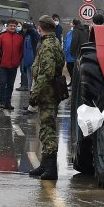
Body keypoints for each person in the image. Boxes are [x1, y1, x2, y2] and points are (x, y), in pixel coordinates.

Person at [28, 15, 65, 181]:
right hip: (49, 92)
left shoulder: (48, 46)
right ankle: (45, 164)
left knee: (47, 129)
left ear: (40, 28)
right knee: (45, 127)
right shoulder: (54, 42)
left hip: (47, 93)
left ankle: (51, 168)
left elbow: (46, 74)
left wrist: (34, 94)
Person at [0, 19, 24, 110]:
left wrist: (18, 60)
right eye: (11, 26)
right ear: (7, 26)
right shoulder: (2, 35)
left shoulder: (20, 37)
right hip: (2, 65)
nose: (13, 27)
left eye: (14, 26)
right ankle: (2, 101)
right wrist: (2, 57)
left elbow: (21, 51)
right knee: (3, 83)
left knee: (10, 84)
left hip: (13, 65)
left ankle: (8, 102)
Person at [18, 22, 40, 91]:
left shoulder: (33, 34)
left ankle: (31, 90)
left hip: (32, 59)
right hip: (27, 60)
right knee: (29, 76)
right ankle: (29, 89)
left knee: (33, 77)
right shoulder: (26, 35)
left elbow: (37, 40)